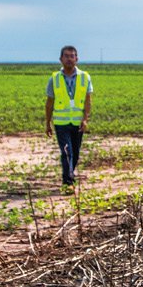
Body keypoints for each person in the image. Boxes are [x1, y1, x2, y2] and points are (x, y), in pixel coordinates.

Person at [44, 45, 92, 188]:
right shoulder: (54, 79)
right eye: (66, 56)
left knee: (75, 153)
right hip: (61, 124)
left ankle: (70, 173)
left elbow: (88, 101)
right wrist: (48, 123)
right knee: (67, 152)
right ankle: (68, 182)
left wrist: (85, 119)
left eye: (72, 56)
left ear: (77, 59)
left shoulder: (85, 77)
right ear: (61, 59)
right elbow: (49, 103)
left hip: (77, 123)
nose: (69, 59)